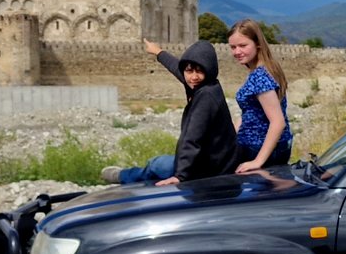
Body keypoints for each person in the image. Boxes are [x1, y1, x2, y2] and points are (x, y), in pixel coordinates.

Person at [100, 39, 237, 187]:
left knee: (156, 164)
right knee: (160, 164)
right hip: (216, 159)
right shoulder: (206, 85)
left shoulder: (206, 97)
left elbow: (192, 136)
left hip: (209, 167)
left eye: (199, 71)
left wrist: (181, 176)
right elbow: (178, 69)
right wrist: (158, 52)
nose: (194, 77)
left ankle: (122, 176)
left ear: (209, 70)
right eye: (189, 71)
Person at [229, 19, 293, 173]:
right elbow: (251, 113)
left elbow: (278, 122)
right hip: (257, 145)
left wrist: (257, 161)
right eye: (233, 47)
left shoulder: (260, 76)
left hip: (259, 148)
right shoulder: (263, 70)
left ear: (258, 44)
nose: (237, 52)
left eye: (243, 45)